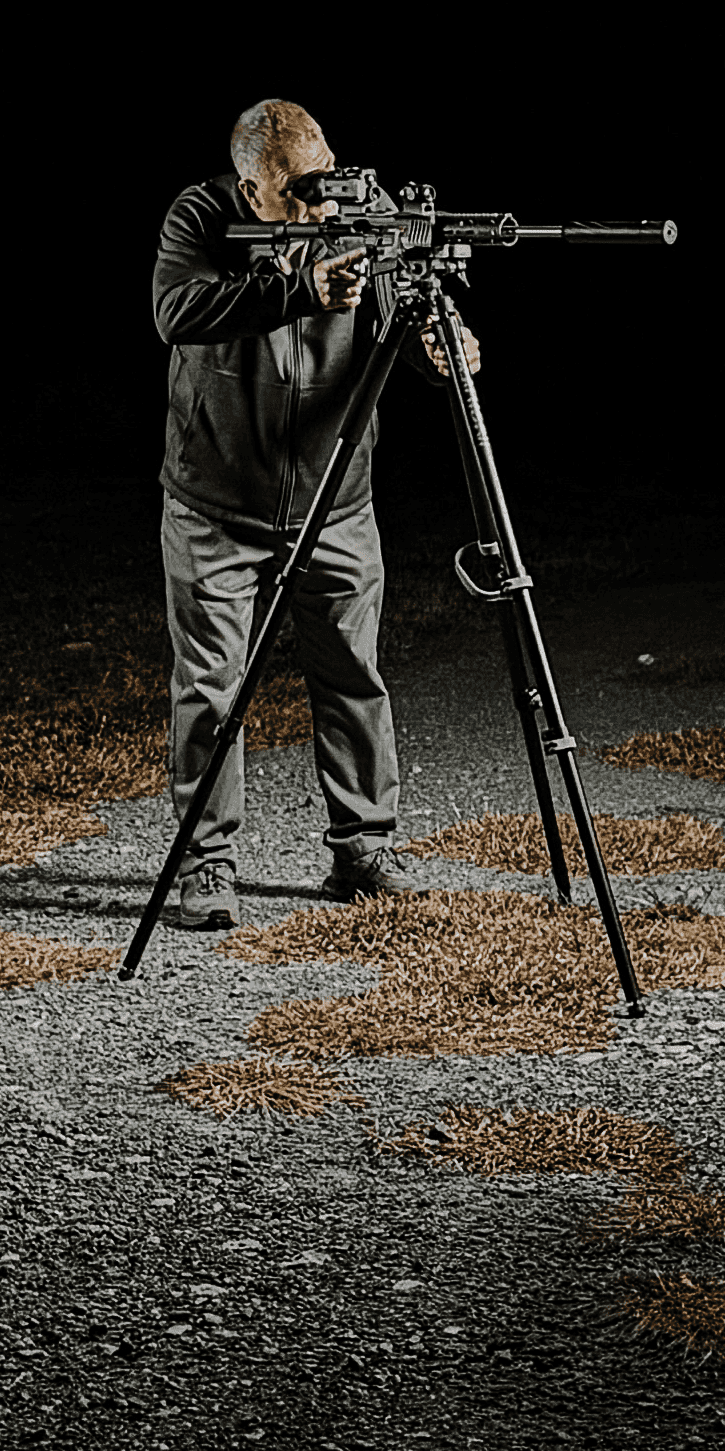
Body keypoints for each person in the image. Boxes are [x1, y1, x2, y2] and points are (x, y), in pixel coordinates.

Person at [149, 96, 480, 934]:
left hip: (335, 500)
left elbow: (400, 312)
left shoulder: (360, 211)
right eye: (295, 190)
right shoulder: (200, 216)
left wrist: (439, 346)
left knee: (351, 674)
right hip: (215, 502)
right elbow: (175, 312)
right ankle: (206, 863)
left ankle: (362, 848)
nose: (317, 205)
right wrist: (295, 287)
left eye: (325, 175)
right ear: (250, 187)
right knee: (210, 689)